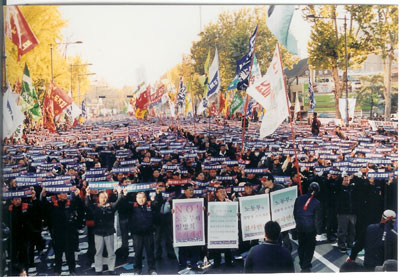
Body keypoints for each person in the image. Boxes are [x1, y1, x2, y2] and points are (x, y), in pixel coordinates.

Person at [40, 188, 83, 275]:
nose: (65, 194)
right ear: (58, 195)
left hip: (69, 232)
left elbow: (79, 206)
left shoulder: (70, 203)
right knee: (58, 254)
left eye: (65, 193)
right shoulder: (53, 205)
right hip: (57, 233)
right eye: (62, 193)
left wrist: (78, 196)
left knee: (70, 253)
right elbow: (44, 208)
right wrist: (43, 196)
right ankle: (57, 271)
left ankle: (72, 270)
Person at [85, 187, 123, 275]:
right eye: (102, 197)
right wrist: (87, 194)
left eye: (105, 197)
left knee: (111, 252)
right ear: (99, 198)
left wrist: (120, 192)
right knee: (98, 252)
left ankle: (111, 269)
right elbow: (87, 204)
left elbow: (118, 202)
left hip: (109, 232)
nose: (104, 199)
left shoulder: (111, 206)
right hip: (98, 232)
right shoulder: (95, 207)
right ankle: (98, 269)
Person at [126, 188, 163, 275]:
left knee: (150, 252)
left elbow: (158, 203)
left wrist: (158, 193)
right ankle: (137, 270)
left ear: (146, 198)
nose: (141, 199)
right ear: (136, 198)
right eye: (139, 198)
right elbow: (123, 205)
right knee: (138, 253)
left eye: (143, 197)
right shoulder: (132, 206)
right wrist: (124, 195)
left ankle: (152, 269)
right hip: (137, 234)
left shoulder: (150, 205)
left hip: (148, 233)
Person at [293, 182, 322, 272]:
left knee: (301, 245)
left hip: (300, 226)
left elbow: (295, 213)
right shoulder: (317, 203)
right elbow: (317, 219)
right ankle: (306, 265)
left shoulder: (299, 198)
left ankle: (302, 263)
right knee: (309, 247)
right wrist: (318, 232)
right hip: (310, 228)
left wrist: (298, 222)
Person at [207, 187, 233, 268]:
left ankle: (228, 261)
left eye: (224, 191)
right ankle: (216, 262)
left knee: (228, 245)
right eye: (221, 192)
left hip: (227, 227)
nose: (223, 193)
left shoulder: (230, 202)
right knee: (217, 246)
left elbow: (234, 213)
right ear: (216, 194)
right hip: (217, 227)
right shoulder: (212, 204)